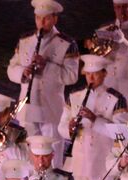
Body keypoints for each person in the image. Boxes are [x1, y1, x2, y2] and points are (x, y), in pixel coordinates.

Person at [7, 0, 79, 163]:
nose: (41, 23)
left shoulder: (67, 43)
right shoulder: (25, 40)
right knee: (28, 154)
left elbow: (72, 76)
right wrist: (23, 73)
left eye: (46, 19)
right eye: (38, 18)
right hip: (28, 106)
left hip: (50, 108)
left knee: (51, 154)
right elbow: (11, 68)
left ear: (55, 19)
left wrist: (47, 66)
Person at [89, 0, 128, 102]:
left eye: (125, 7)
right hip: (108, 84)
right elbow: (96, 56)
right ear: (114, 8)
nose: (121, 10)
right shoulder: (105, 29)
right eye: (118, 7)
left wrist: (123, 41)